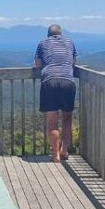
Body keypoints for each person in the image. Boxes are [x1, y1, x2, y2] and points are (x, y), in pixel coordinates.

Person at [34, 24, 77, 163]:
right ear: (61, 34)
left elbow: (38, 64)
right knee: (67, 118)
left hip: (49, 82)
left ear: (48, 34)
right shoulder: (70, 42)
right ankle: (64, 150)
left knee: (52, 122)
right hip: (67, 82)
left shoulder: (42, 43)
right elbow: (73, 62)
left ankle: (56, 155)